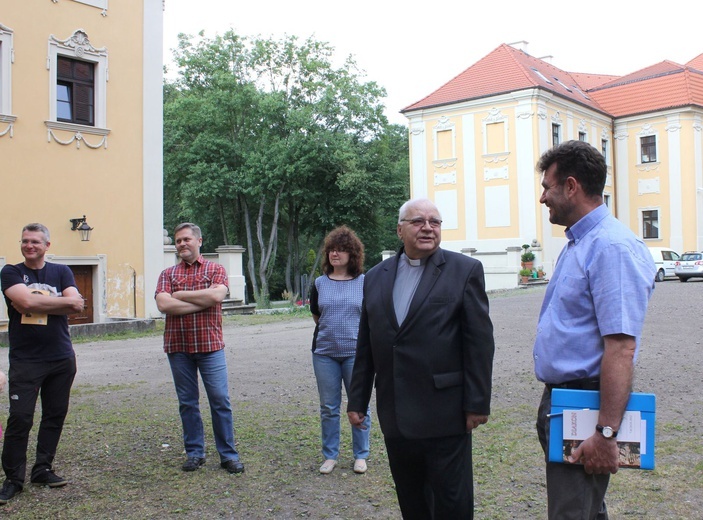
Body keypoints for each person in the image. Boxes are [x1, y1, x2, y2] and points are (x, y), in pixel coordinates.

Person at [347, 198, 495, 519]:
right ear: (400, 230)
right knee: (412, 502)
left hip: (445, 411)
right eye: (418, 221)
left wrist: (478, 403)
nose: (428, 227)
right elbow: (366, 343)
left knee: (452, 502)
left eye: (435, 222)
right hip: (396, 412)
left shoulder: (464, 270)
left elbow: (479, 343)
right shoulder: (375, 277)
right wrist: (357, 399)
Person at [533, 140, 656, 520]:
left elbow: (620, 348)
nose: (543, 199)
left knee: (574, 512)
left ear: (571, 186)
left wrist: (605, 433)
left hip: (585, 405)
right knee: (585, 508)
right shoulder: (580, 242)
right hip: (566, 401)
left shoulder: (610, 247)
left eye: (547, 187)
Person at [0, 223, 85, 505]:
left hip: (61, 356)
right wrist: (61, 302)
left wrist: (32, 304)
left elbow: (77, 305)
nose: (29, 245)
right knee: (20, 418)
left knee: (54, 414)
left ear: (47, 245)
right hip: (26, 359)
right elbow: (25, 301)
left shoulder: (61, 271)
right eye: (25, 241)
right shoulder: (11, 271)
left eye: (35, 241)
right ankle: (13, 479)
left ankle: (42, 469)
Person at [155, 223, 244, 474]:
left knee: (220, 401)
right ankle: (195, 452)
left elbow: (216, 298)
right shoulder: (167, 274)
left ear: (199, 241)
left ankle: (227, 455)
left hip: (210, 347)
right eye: (178, 240)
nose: (182, 244)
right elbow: (163, 304)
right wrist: (199, 301)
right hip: (178, 347)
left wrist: (179, 295)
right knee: (187, 403)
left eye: (186, 239)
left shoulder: (216, 269)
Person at [309, 226, 370, 475]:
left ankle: (361, 455)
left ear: (352, 254)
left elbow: (369, 316)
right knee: (329, 407)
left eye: (341, 250)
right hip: (324, 354)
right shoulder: (319, 283)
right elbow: (317, 315)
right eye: (332, 250)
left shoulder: (365, 282)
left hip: (356, 354)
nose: (335, 254)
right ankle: (330, 455)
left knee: (359, 406)